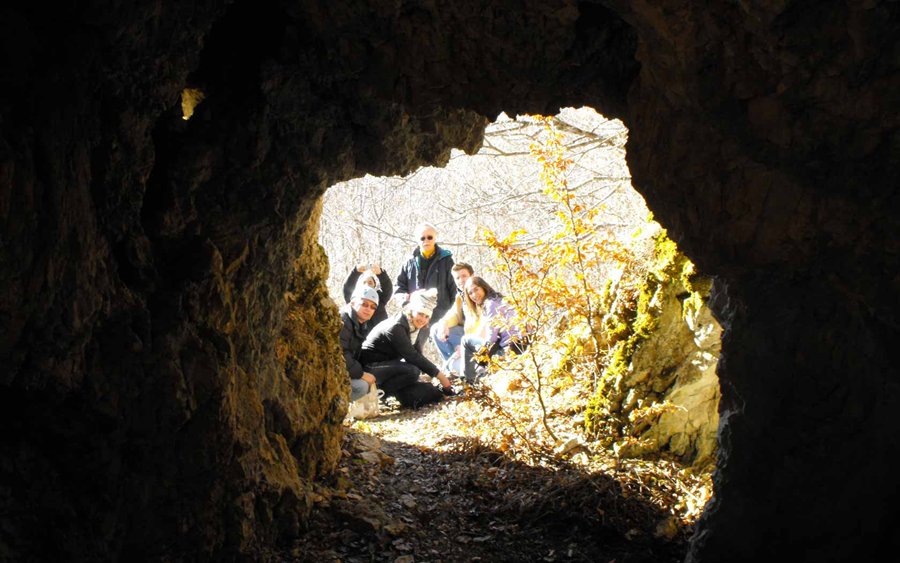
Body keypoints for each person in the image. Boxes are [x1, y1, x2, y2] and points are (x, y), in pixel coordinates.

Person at [360, 288, 456, 408]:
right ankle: (378, 393)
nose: (423, 319)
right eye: (420, 313)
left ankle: (396, 394)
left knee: (422, 390)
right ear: (411, 310)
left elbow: (417, 354)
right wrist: (441, 376)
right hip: (369, 367)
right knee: (412, 371)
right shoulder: (396, 327)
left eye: (427, 316)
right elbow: (412, 356)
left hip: (386, 364)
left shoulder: (412, 327)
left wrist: (431, 374)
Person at [459, 276, 524, 382]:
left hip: (511, 348)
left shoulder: (490, 304)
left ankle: (467, 381)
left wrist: (480, 356)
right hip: (520, 343)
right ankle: (474, 377)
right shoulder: (499, 298)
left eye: (476, 289)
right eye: (470, 293)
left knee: (466, 340)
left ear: (483, 287)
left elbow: (491, 338)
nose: (474, 295)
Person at [393, 223, 457, 323]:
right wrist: (407, 300)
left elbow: (455, 290)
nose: (426, 241)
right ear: (417, 240)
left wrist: (453, 315)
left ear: (435, 238)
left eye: (429, 237)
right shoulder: (409, 262)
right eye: (422, 238)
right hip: (414, 317)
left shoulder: (446, 261)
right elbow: (399, 287)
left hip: (441, 318)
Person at [429, 262, 474, 373]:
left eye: (464, 276)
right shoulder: (460, 296)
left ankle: (467, 365)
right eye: (457, 278)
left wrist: (462, 344)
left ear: (472, 276)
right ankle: (453, 366)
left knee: (455, 333)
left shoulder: (478, 292)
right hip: (466, 334)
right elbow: (453, 314)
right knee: (436, 329)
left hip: (480, 337)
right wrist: (443, 323)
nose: (461, 280)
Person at [339, 286, 380, 403]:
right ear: (353, 303)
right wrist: (361, 374)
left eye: (373, 307)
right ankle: (339, 413)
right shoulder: (344, 320)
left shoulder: (361, 324)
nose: (368, 309)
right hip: (332, 372)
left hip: (345, 370)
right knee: (361, 386)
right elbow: (341, 352)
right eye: (364, 304)